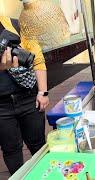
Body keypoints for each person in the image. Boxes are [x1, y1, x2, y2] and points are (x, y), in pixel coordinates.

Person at [0, 16, 49, 175]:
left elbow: (38, 60)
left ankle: (46, 176)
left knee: (39, 145)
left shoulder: (14, 24)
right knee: (11, 150)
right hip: (1, 107)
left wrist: (43, 92)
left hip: (28, 98)